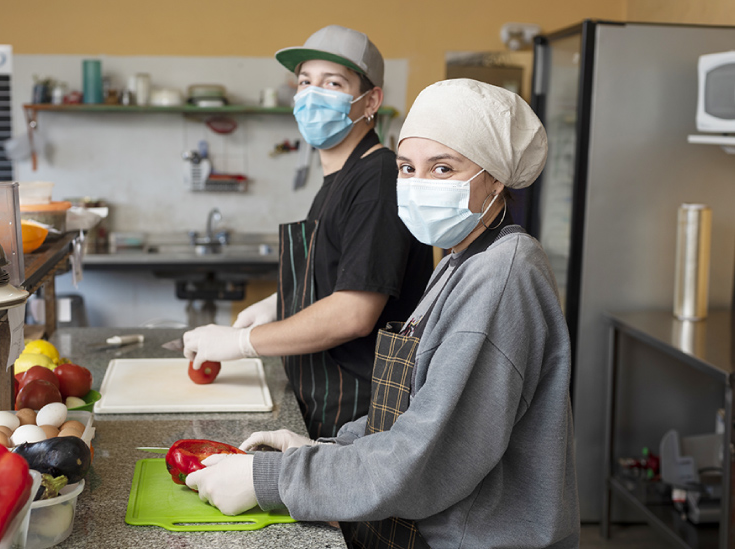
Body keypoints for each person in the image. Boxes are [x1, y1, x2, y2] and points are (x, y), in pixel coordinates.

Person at [184, 79, 580, 549]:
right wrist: (324, 451)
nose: (417, 185)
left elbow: (425, 460)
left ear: (495, 178)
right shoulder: (462, 258)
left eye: (443, 168)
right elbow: (412, 410)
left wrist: (274, 480)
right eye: (407, 167)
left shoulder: (502, 276)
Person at [183, 25, 433, 438]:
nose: (313, 94)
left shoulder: (377, 177)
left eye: (333, 83)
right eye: (305, 82)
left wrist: (246, 343)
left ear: (370, 101)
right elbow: (341, 270)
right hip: (325, 402)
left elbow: (354, 313)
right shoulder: (340, 177)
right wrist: (280, 301)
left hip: (361, 413)